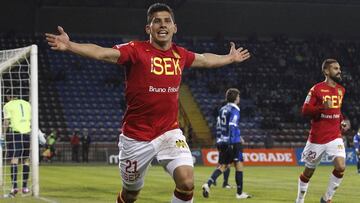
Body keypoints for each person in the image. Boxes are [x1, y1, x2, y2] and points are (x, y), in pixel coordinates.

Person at [45, 3, 250, 203]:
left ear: (174, 27)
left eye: (167, 21)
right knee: (130, 195)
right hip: (136, 138)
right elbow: (103, 52)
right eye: (156, 21)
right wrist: (70, 45)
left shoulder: (180, 54)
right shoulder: (135, 50)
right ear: (148, 28)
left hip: (169, 133)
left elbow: (205, 59)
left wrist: (229, 58)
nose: (162, 25)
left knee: (187, 183)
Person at [296, 59, 350, 203]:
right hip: (317, 137)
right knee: (309, 171)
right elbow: (305, 110)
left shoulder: (341, 90)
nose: (339, 71)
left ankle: (326, 198)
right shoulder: (316, 89)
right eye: (335, 68)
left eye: (339, 68)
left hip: (335, 136)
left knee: (341, 166)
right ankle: (300, 200)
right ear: (326, 71)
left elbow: (337, 111)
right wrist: (322, 108)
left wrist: (342, 121)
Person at [203, 88, 251, 199]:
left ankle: (208, 184)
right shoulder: (235, 109)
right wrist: (233, 141)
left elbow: (220, 126)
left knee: (223, 166)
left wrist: (221, 139)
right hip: (232, 142)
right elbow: (232, 125)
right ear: (235, 98)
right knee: (239, 165)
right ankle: (239, 194)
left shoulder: (222, 109)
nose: (239, 98)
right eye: (238, 96)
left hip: (222, 140)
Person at [1, 89, 31, 196]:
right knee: (26, 160)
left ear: (8, 97)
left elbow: (6, 122)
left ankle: (14, 187)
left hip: (15, 134)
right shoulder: (27, 104)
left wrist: (2, 135)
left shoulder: (7, 105)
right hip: (27, 134)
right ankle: (25, 187)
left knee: (14, 160)